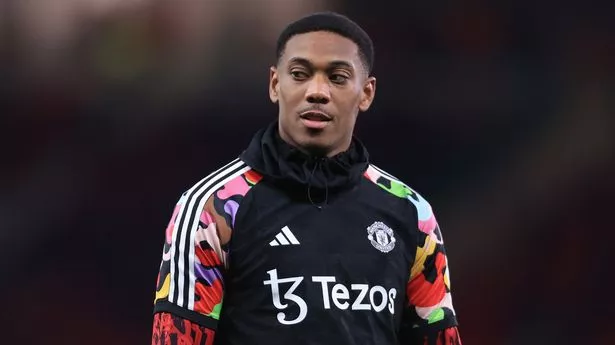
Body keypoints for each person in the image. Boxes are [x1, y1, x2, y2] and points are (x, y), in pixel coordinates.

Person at [151, 11, 462, 345]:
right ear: (275, 84)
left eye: (338, 77)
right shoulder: (211, 209)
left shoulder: (412, 214)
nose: (317, 91)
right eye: (299, 74)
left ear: (366, 93)